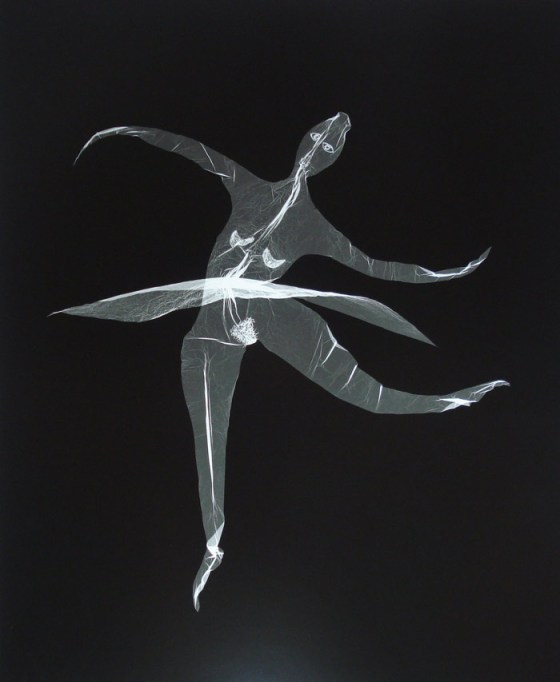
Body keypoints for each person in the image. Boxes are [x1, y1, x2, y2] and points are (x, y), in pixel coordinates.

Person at [60, 113, 508, 608]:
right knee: (208, 439)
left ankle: (447, 401)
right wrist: (126, 132)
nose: (319, 148)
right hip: (206, 338)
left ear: (332, 158)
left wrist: (443, 274)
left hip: (252, 323)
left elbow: (376, 267)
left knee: (349, 386)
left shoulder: (314, 229)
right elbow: (190, 149)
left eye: (330, 145)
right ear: (303, 140)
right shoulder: (247, 185)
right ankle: (213, 545)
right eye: (318, 137)